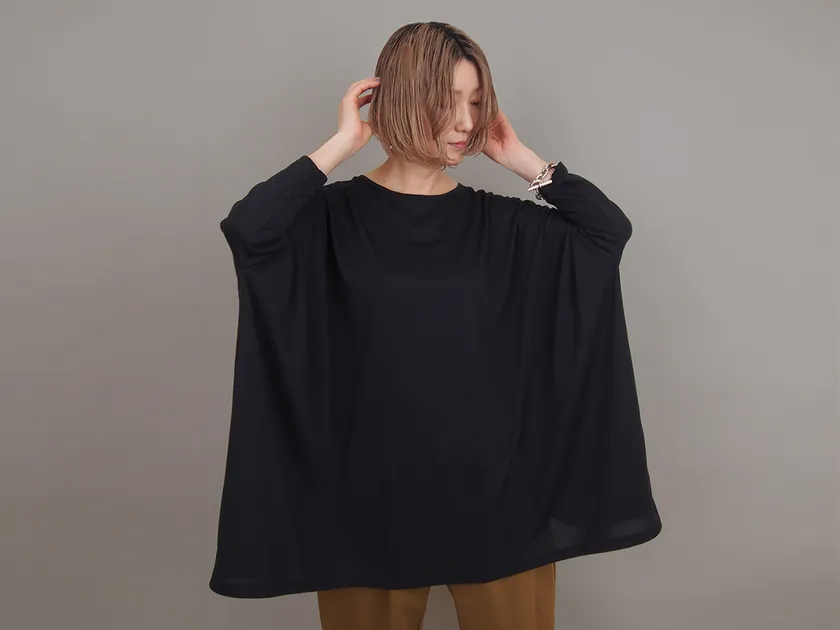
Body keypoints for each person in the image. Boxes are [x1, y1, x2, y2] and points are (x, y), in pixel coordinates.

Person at [209, 21, 662, 630]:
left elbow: (607, 233)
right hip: (365, 508)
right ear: (399, 99)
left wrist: (522, 160)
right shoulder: (328, 221)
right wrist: (343, 143)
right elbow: (249, 230)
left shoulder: (503, 227)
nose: (466, 122)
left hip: (500, 503)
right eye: (448, 101)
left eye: (476, 102)